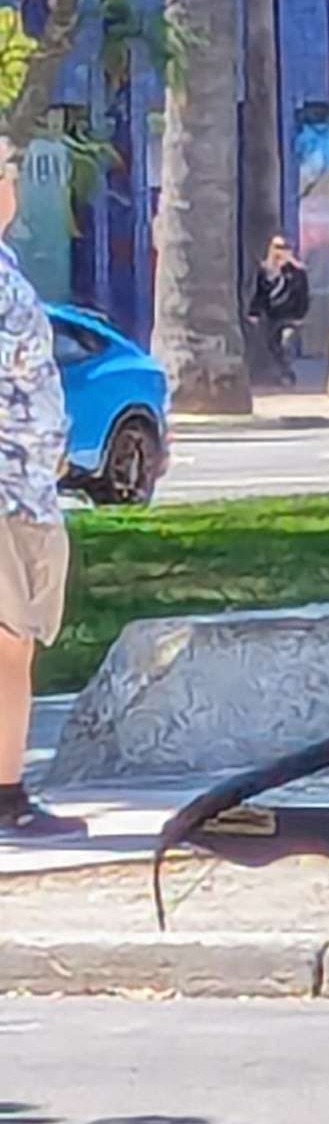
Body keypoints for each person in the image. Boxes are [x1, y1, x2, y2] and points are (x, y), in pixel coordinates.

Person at [0, 136, 83, 844]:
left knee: (14, 646)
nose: (9, 186)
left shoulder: (8, 273)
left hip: (26, 493)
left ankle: (7, 795)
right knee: (4, 645)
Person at [247, 236, 310, 386]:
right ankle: (278, 374)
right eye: (277, 247)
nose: (280, 251)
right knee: (272, 346)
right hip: (271, 316)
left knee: (286, 343)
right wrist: (254, 312)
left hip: (290, 317)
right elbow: (260, 293)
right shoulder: (266, 271)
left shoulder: (297, 272)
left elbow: (303, 295)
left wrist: (300, 315)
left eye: (284, 248)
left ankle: (287, 374)